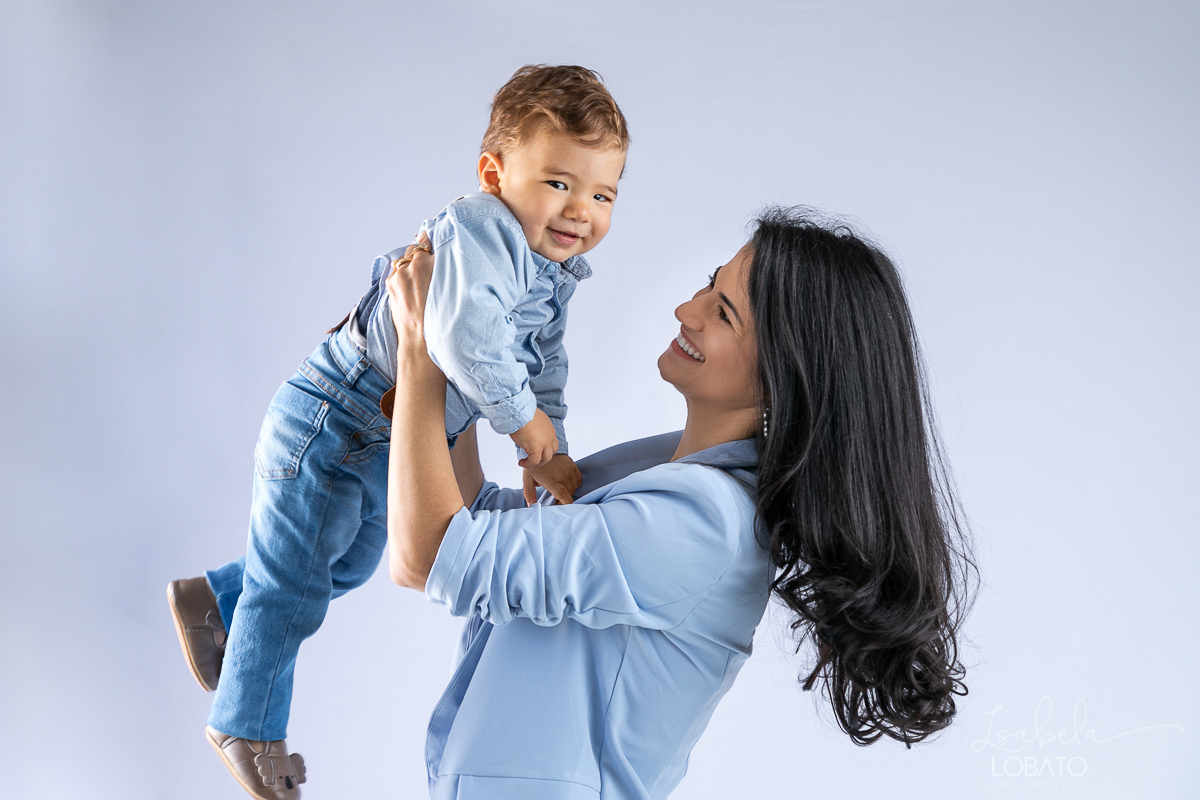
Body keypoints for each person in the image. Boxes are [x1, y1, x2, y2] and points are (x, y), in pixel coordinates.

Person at [384, 207, 976, 799]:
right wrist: (457, 348)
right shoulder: (670, 468)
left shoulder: (704, 523)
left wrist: (421, 351)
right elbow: (476, 524)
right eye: (709, 284)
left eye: (722, 313)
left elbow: (431, 555)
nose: (685, 311)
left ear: (784, 374)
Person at [166, 64, 629, 800]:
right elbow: (465, 336)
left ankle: (216, 601)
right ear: (495, 173)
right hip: (333, 421)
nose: (582, 211)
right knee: (292, 591)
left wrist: (553, 447)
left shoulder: (552, 272)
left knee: (341, 566)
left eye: (603, 193)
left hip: (383, 443)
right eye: (559, 183)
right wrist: (528, 430)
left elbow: (543, 365)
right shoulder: (484, 232)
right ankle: (246, 726)